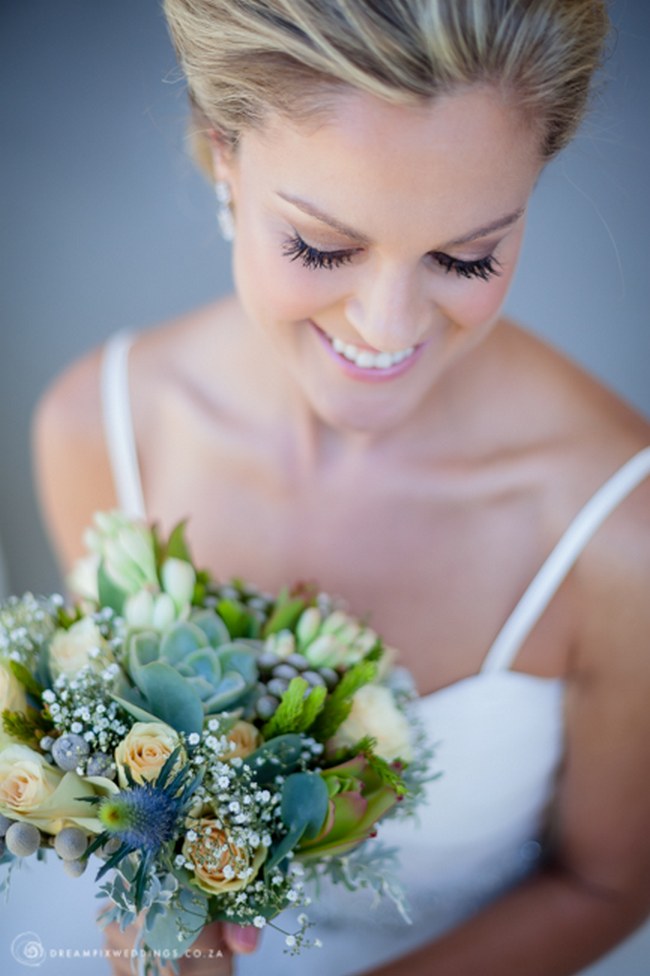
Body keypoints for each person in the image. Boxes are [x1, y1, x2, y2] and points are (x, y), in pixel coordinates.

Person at [32, 1, 650, 974]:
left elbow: (608, 883)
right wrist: (162, 906)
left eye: (465, 256)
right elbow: (120, 774)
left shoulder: (621, 529)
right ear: (220, 145)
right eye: (322, 246)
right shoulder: (97, 427)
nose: (388, 325)